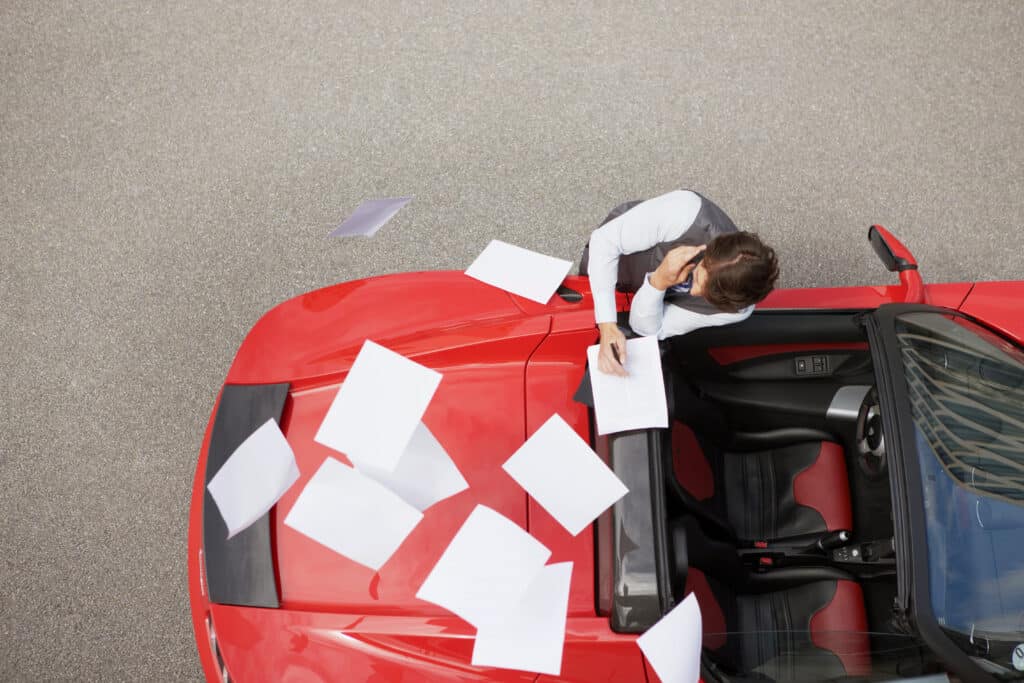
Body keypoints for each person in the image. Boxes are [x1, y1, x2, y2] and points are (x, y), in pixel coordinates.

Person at [582, 189, 779, 376]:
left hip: (640, 297)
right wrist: (607, 325)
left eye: (707, 296)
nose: (693, 292)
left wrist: (658, 281)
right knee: (590, 281)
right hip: (618, 258)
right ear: (708, 253)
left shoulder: (737, 311)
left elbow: (648, 329)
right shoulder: (684, 211)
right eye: (700, 279)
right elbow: (604, 242)